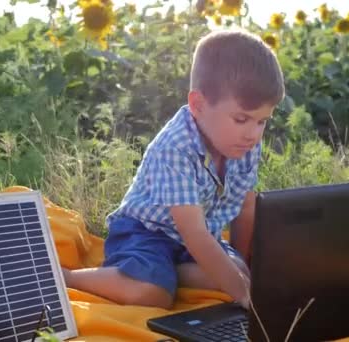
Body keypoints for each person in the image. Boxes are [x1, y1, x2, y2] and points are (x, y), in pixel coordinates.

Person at [61, 28, 285, 309]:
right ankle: (67, 277)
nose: (253, 133)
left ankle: (168, 271)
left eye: (262, 121)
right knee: (153, 294)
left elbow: (246, 205)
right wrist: (243, 293)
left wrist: (241, 267)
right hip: (145, 232)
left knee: (237, 270)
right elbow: (195, 234)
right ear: (198, 105)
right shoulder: (175, 147)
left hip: (191, 241)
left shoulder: (244, 143)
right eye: (241, 119)